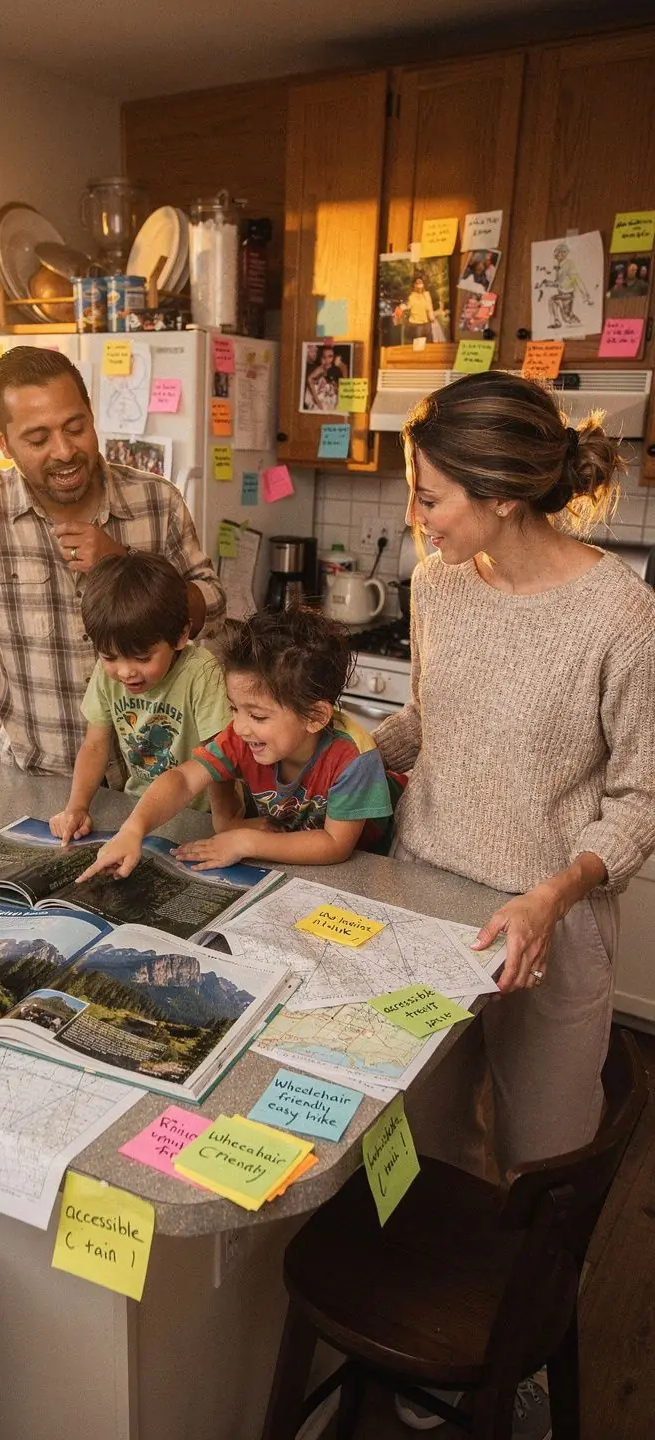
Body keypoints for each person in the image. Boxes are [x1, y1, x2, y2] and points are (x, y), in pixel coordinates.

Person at [373, 369, 655, 1185]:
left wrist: (554, 895)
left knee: (544, 1155)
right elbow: (429, 720)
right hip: (426, 901)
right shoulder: (437, 583)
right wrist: (333, 755)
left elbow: (640, 799)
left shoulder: (621, 615)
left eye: (430, 498)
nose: (414, 516)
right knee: (428, 1149)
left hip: (550, 925)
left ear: (499, 496)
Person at [0, 347, 225, 829]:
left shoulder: (157, 499)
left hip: (163, 791)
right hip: (39, 790)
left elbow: (213, 608)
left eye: (76, 427)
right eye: (37, 438)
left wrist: (123, 563)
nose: (64, 451)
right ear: (3, 440)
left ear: (92, 415)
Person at [75, 607, 397, 881]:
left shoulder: (353, 757)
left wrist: (245, 842)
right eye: (234, 708)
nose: (240, 727)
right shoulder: (244, 736)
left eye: (257, 716)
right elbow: (184, 779)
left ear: (314, 717)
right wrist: (133, 830)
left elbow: (335, 845)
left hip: (370, 868)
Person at [48, 551, 232, 844]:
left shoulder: (201, 672)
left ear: (181, 635)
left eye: (143, 658)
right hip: (138, 811)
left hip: (200, 818)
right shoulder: (105, 675)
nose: (125, 672)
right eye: (109, 657)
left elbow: (221, 758)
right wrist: (77, 807)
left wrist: (226, 828)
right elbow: (94, 745)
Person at [405, 274, 435, 341]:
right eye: (417, 283)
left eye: (421, 282)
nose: (419, 284)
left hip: (426, 323)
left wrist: (432, 317)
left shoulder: (426, 294)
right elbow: (407, 307)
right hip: (416, 324)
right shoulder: (412, 296)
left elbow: (429, 307)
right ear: (414, 285)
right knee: (419, 342)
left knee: (429, 342)